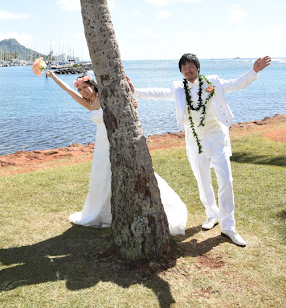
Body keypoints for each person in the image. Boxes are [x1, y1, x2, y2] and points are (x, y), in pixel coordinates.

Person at [127, 54, 271, 247]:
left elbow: (236, 83)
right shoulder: (178, 88)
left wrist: (254, 71)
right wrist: (136, 91)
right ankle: (212, 214)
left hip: (217, 139)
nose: (188, 69)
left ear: (198, 67)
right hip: (195, 141)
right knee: (202, 180)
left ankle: (229, 226)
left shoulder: (214, 82)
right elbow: (159, 92)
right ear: (181, 71)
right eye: (184, 67)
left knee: (226, 181)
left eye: (191, 66)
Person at [46, 70, 187, 235]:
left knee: (118, 173)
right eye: (80, 89)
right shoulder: (89, 104)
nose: (83, 91)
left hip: (114, 140)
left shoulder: (104, 97)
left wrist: (132, 103)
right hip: (100, 144)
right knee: (101, 177)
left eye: (86, 87)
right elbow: (68, 91)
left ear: (93, 86)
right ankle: (103, 213)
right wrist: (54, 77)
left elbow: (122, 100)